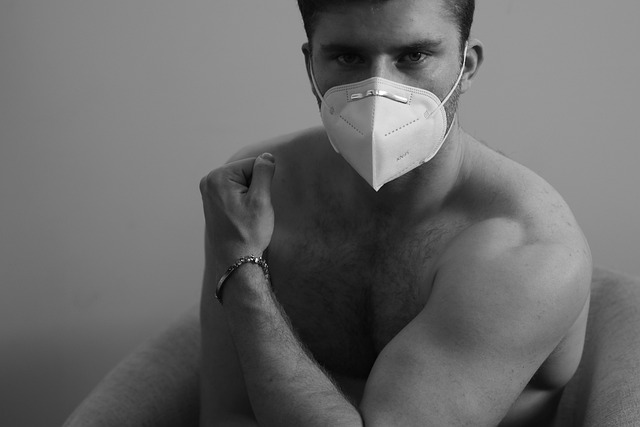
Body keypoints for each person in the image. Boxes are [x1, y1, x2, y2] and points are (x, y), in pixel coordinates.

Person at [198, 0, 592, 425]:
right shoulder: (261, 193)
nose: (378, 92)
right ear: (311, 65)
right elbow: (229, 414)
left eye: (414, 56)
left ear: (467, 65)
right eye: (348, 57)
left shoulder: (527, 248)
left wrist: (242, 271)